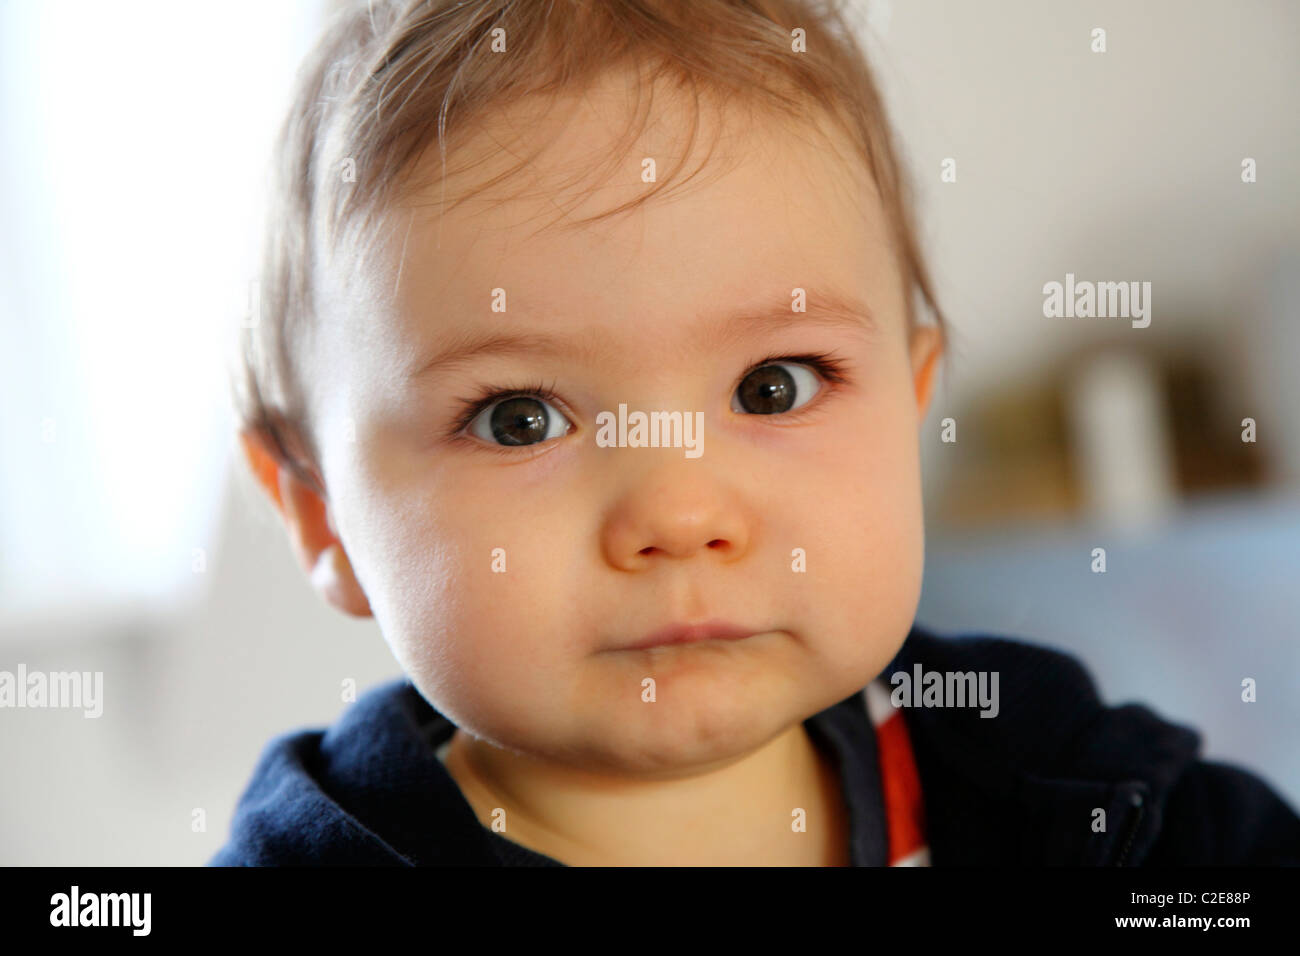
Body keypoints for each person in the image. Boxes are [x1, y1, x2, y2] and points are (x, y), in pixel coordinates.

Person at [211, 0, 1300, 866]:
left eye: (773, 387)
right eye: (519, 418)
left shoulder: (1058, 778)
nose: (681, 514)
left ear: (909, 398)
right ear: (318, 507)